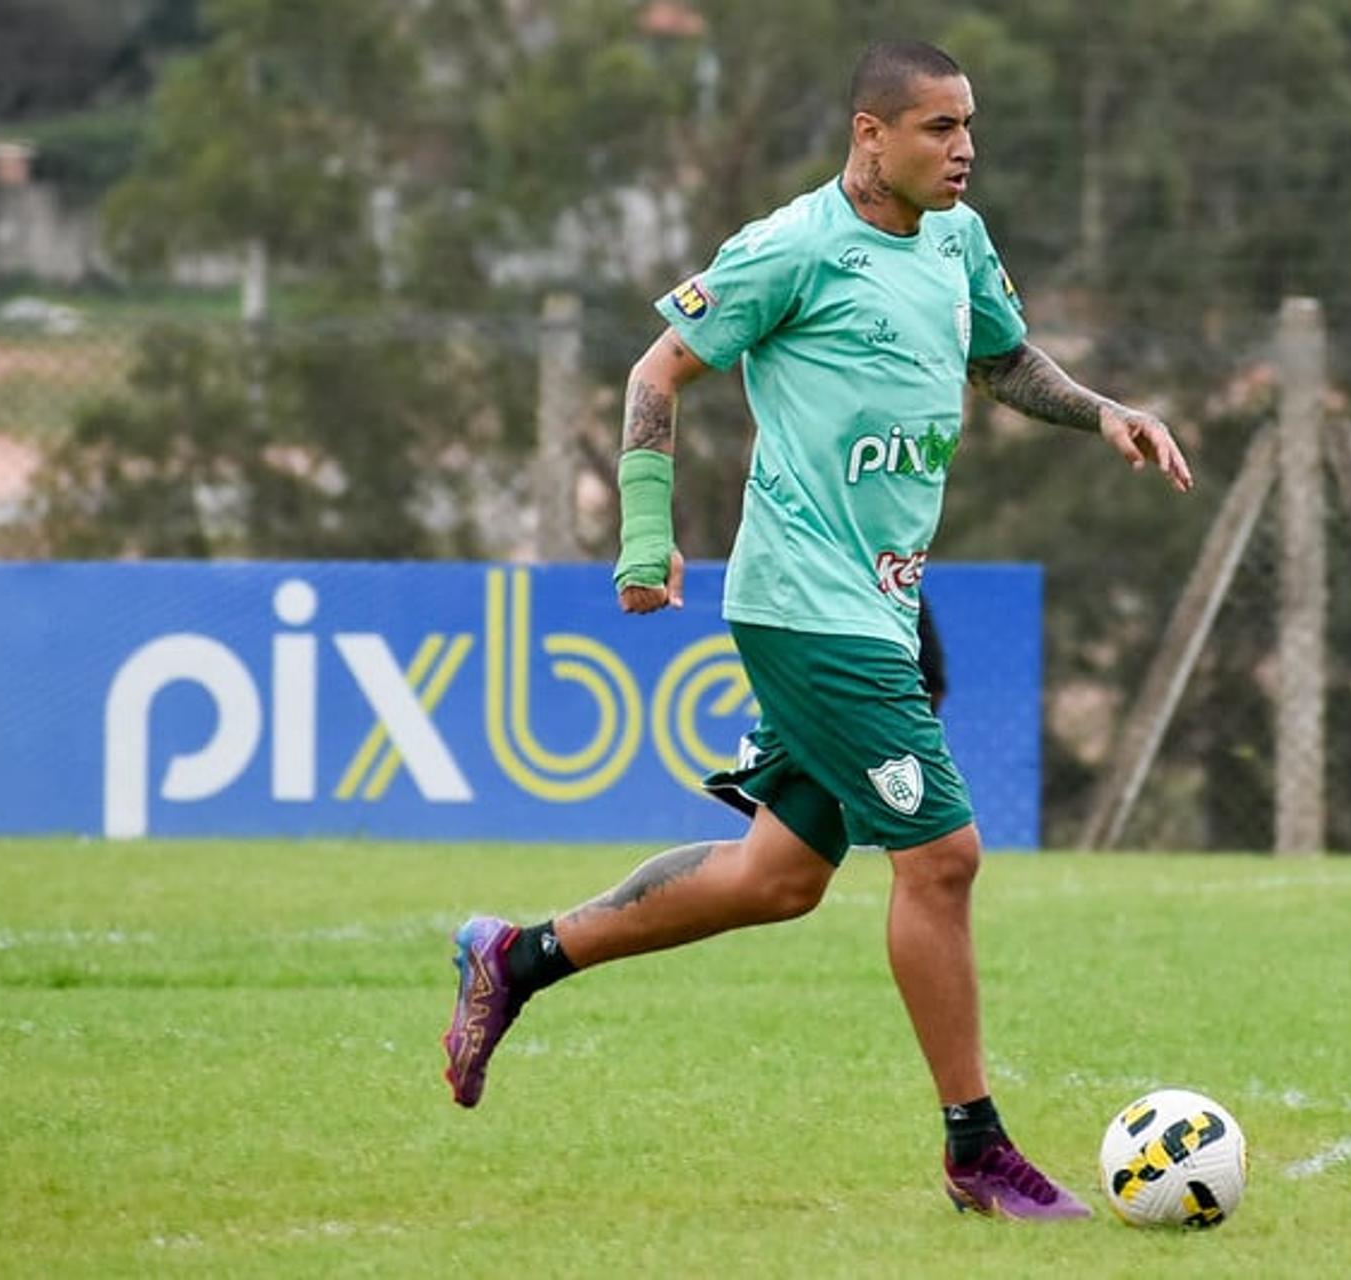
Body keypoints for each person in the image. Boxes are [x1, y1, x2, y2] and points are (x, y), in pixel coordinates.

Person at [442, 39, 1191, 1221]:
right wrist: (647, 535)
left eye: (969, 126)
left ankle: (514, 957)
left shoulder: (958, 239)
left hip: (880, 604)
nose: (965, 150)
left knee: (777, 878)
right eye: (939, 128)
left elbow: (999, 359)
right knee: (941, 857)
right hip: (804, 605)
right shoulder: (791, 246)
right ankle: (974, 1149)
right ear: (870, 133)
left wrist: (1103, 413)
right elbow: (656, 371)